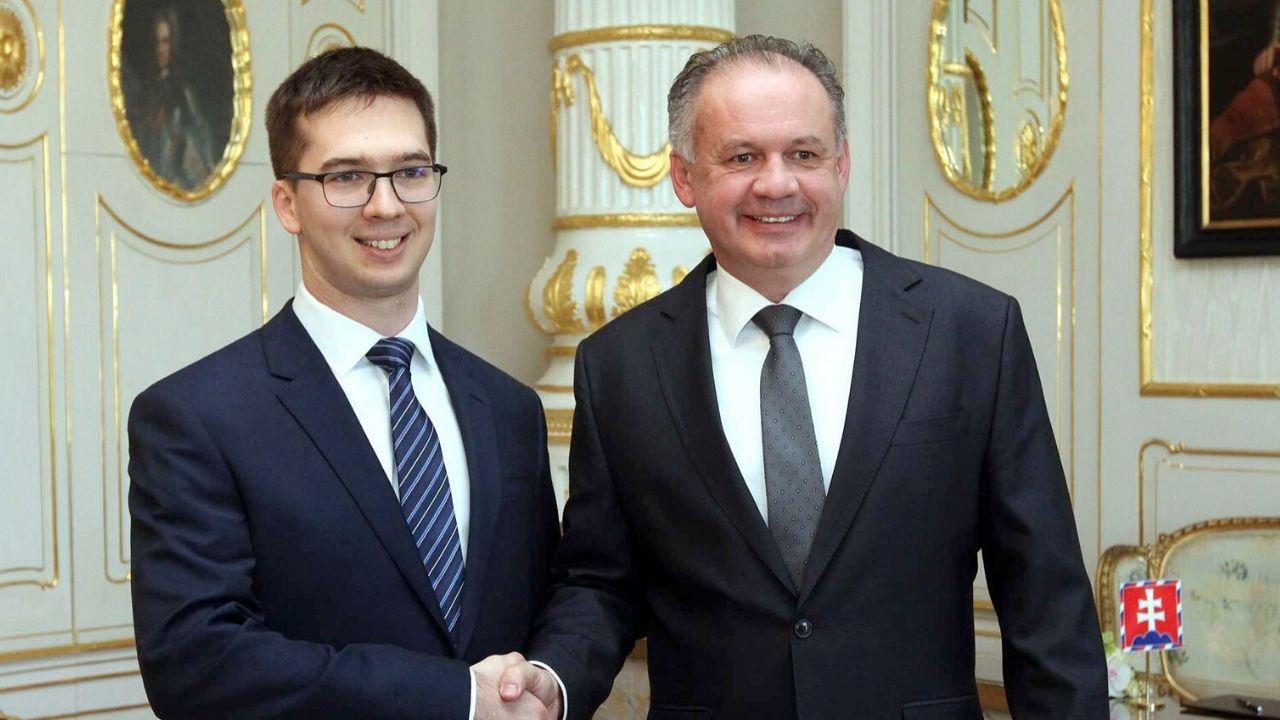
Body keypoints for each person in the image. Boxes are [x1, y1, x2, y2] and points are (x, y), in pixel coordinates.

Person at [500, 35, 1107, 718]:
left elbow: (1046, 600)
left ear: (841, 165)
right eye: (742, 157)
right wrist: (553, 679)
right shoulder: (621, 366)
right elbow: (600, 583)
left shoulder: (969, 333)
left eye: (804, 154)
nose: (777, 183)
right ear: (684, 177)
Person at [128, 47, 560, 719]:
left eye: (411, 172)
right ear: (288, 203)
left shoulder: (508, 407)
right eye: (347, 177)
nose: (386, 206)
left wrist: (547, 682)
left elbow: (549, 602)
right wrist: (455, 698)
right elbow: (196, 663)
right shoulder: (195, 418)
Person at [130, 5, 216, 190]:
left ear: (172, 44)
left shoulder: (183, 92)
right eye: (156, 42)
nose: (160, 49)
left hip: (177, 182)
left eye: (165, 41)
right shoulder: (144, 94)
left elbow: (200, 135)